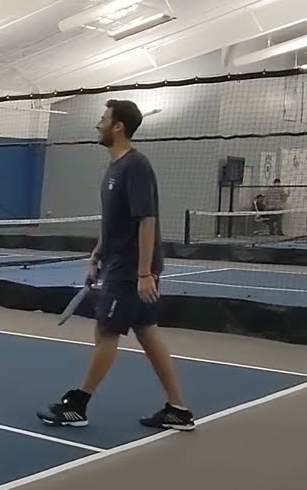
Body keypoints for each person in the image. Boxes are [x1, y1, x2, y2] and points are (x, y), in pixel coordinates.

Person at [37, 99, 195, 431]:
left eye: (103, 118)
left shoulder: (136, 166)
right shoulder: (114, 167)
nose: (98, 124)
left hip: (130, 270)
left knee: (106, 333)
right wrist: (97, 255)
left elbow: (146, 220)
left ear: (118, 126)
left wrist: (143, 273)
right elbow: (114, 223)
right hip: (119, 264)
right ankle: (178, 408)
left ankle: (77, 404)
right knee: (147, 333)